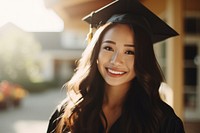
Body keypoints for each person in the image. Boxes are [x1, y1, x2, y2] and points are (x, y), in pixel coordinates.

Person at [47, 0, 185, 132]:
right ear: (96, 52)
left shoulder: (163, 121)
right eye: (108, 48)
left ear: (144, 58)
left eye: (130, 52)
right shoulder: (69, 113)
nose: (116, 60)